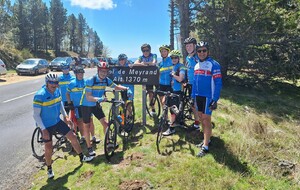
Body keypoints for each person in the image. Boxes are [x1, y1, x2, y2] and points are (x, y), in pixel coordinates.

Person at [33, 73, 94, 179]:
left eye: (56, 82)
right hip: (46, 125)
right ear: (47, 83)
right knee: (49, 148)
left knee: (73, 137)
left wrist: (65, 116)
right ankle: (49, 169)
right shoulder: (40, 95)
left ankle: (82, 157)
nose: (54, 84)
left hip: (57, 121)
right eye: (51, 82)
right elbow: (36, 115)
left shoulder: (57, 91)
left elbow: (60, 103)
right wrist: (43, 129)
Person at [80, 62, 132, 156]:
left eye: (106, 72)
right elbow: (88, 97)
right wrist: (98, 99)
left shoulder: (106, 80)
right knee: (86, 127)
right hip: (86, 105)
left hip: (96, 105)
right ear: (98, 70)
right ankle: (89, 147)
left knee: (105, 123)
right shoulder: (91, 80)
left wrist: (126, 88)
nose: (104, 73)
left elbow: (115, 86)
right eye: (102, 71)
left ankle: (108, 143)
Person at [192, 41, 222, 157]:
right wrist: (192, 97)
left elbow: (218, 83)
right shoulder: (196, 65)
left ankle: (205, 147)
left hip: (208, 96)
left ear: (208, 51)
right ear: (197, 52)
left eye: (204, 50)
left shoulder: (214, 64)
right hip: (198, 96)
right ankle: (207, 139)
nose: (202, 53)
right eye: (199, 51)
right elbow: (195, 83)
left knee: (206, 119)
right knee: (200, 117)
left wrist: (215, 99)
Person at [66, 65, 100, 145]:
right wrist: (69, 103)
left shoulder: (86, 82)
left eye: (82, 73)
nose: (81, 75)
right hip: (77, 106)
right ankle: (83, 137)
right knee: (80, 122)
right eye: (79, 73)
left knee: (90, 121)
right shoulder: (71, 83)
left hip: (87, 105)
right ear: (76, 74)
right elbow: (67, 94)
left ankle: (93, 137)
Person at [162, 50, 186, 136]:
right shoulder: (172, 66)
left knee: (172, 109)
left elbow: (180, 79)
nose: (174, 59)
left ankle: (171, 128)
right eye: (172, 58)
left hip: (177, 91)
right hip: (171, 90)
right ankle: (177, 120)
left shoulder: (181, 67)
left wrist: (173, 75)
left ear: (178, 58)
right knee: (165, 103)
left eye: (176, 57)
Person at [134, 43, 158, 116]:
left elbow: (154, 63)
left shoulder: (154, 55)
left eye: (147, 50)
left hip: (156, 76)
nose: (145, 52)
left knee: (159, 94)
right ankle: (153, 109)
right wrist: (143, 64)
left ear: (150, 50)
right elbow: (135, 63)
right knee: (150, 94)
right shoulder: (140, 57)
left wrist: (144, 63)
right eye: (144, 51)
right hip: (147, 78)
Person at [183, 37, 201, 131]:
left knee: (197, 104)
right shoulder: (187, 57)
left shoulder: (197, 57)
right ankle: (197, 122)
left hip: (197, 85)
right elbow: (187, 69)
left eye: (190, 45)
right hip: (189, 84)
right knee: (192, 104)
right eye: (187, 46)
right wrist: (185, 80)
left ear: (194, 46)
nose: (188, 48)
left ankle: (200, 123)